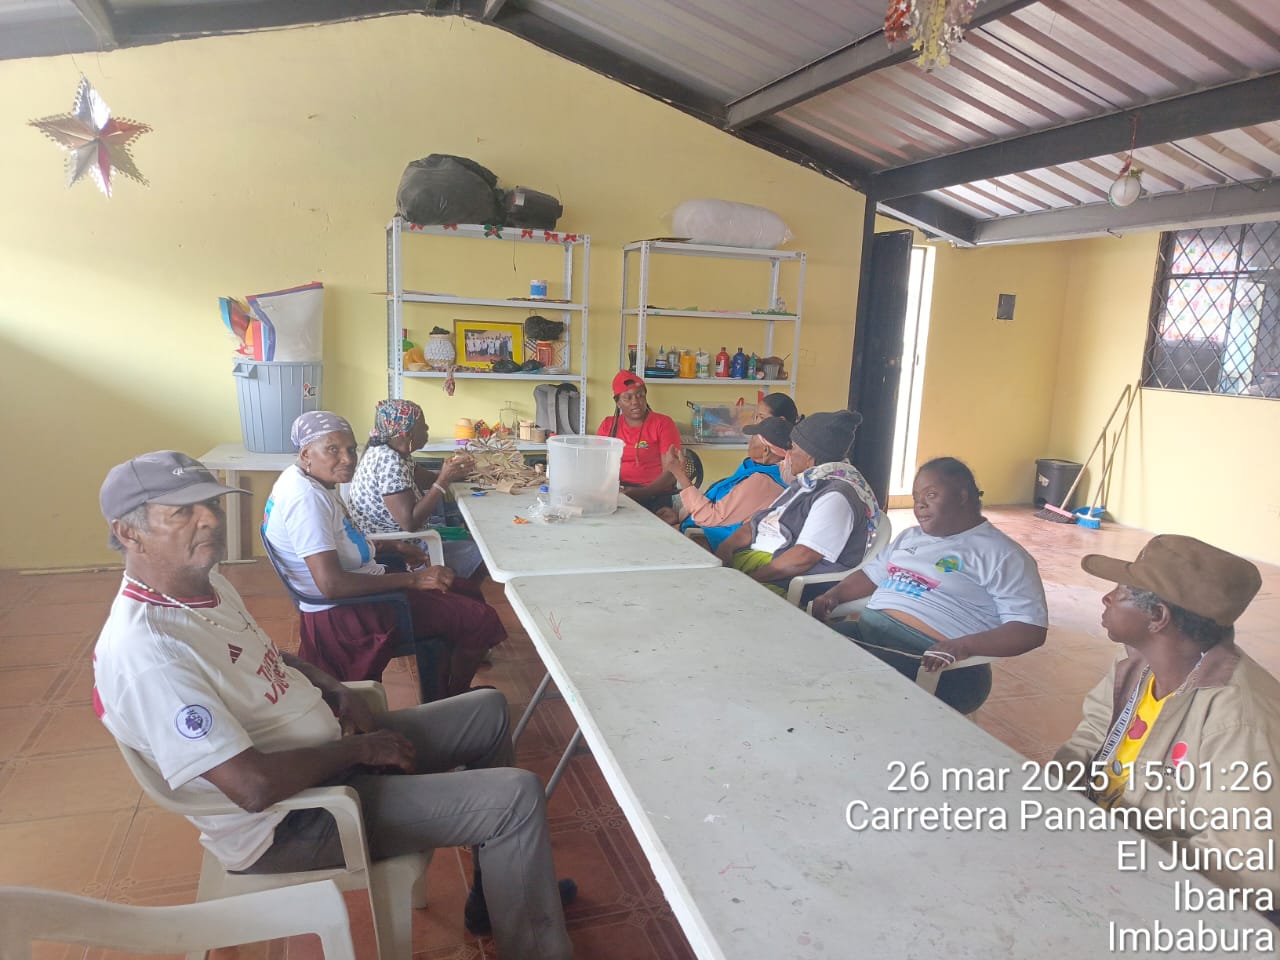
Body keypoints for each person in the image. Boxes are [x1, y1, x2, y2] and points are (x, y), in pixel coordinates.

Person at [92, 450, 574, 958]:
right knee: (515, 798)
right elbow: (253, 788)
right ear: (128, 533)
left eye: (210, 504)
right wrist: (360, 750)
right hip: (294, 819)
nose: (209, 519)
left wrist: (336, 689)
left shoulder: (203, 587)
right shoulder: (149, 653)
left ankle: (499, 897)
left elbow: (266, 654)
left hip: (326, 760)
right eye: (181, 512)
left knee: (488, 709)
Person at [1054, 534, 1279, 902]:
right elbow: (1090, 739)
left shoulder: (1239, 721)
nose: (1106, 598)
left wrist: (1115, 852)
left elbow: (1251, 868)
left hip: (1160, 890)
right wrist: (1054, 804)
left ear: (1158, 617)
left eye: (1120, 592)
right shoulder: (1138, 664)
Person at [263, 411, 505, 697]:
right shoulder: (306, 499)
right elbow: (331, 585)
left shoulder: (304, 480)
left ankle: (441, 690)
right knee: (481, 618)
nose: (348, 459)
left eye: (351, 449)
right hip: (348, 614)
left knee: (465, 591)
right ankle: (455, 696)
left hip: (356, 592)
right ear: (306, 454)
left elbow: (340, 540)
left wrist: (393, 547)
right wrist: (414, 580)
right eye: (333, 450)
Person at [810, 457, 1047, 713]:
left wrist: (963, 646)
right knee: (803, 649)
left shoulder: (1003, 555)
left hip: (937, 666)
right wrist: (834, 595)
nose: (920, 505)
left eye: (931, 495)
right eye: (916, 498)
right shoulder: (910, 537)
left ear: (962, 496)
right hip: (869, 635)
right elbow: (870, 576)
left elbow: (1029, 629)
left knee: (836, 677)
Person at [716, 410, 879, 593]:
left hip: (782, 580)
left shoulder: (836, 497)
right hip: (753, 562)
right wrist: (726, 547)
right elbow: (759, 522)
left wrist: (750, 580)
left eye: (792, 448)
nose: (788, 454)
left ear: (810, 457)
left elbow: (803, 558)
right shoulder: (807, 483)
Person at [345, 398, 487, 592]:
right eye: (422, 425)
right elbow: (410, 523)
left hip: (402, 538)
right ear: (407, 434)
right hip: (402, 547)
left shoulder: (395, 453)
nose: (427, 428)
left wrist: (459, 474)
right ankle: (455, 595)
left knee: (476, 540)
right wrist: (443, 481)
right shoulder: (389, 462)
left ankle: (461, 594)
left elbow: (427, 479)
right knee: (483, 553)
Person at [655, 416, 791, 550]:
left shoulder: (762, 483)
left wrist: (680, 474)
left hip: (709, 540)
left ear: (765, 450)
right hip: (698, 526)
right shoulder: (760, 469)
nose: (749, 442)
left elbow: (710, 517)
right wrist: (681, 515)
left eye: (753, 438)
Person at [597, 369, 682, 512]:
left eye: (640, 395)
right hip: (618, 493)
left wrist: (642, 493)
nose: (635, 402)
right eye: (628, 398)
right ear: (618, 402)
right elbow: (598, 466)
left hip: (655, 494)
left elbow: (671, 473)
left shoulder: (663, 424)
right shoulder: (608, 425)